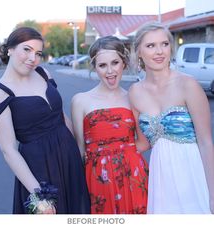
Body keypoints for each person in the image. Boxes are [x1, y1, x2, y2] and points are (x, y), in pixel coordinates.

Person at [0, 27, 90, 214]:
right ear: (10, 49)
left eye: (38, 53)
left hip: (69, 158)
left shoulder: (43, 74)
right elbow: (8, 150)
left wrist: (80, 153)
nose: (32, 58)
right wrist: (39, 194)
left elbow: (60, 116)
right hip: (39, 169)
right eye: (26, 49)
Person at [129, 22, 214, 214]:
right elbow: (142, 144)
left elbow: (206, 141)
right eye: (151, 46)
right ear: (139, 52)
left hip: (193, 171)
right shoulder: (135, 92)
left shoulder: (188, 84)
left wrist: (212, 192)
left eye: (164, 44)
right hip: (161, 177)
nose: (159, 51)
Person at [71, 36, 148, 214]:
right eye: (102, 65)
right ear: (95, 68)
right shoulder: (80, 101)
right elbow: (80, 152)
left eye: (115, 63)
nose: (110, 71)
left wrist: (119, 155)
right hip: (98, 181)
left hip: (133, 176)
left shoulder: (133, 97)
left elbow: (144, 142)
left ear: (124, 63)